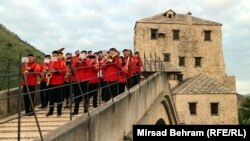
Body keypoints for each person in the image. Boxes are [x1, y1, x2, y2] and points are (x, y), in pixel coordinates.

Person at [46, 51, 66, 116]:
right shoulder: (50, 62)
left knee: (59, 98)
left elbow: (64, 71)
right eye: (53, 55)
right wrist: (47, 70)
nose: (54, 56)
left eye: (55, 55)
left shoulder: (62, 62)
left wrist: (56, 70)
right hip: (51, 82)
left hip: (59, 82)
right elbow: (47, 70)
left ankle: (59, 111)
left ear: (57, 56)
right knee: (51, 98)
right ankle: (50, 111)